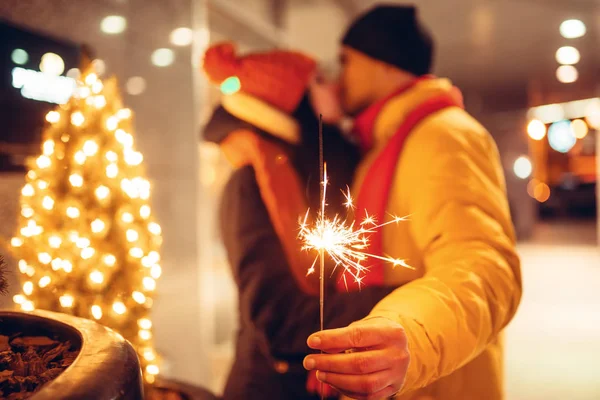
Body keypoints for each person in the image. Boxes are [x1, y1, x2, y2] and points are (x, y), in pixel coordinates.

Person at [247, 5, 522, 400]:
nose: (340, 78)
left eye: (347, 62)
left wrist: (408, 332)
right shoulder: (383, 145)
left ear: (386, 65)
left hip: (433, 384)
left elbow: (485, 267)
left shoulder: (444, 136)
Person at [201, 42, 395, 399]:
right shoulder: (251, 184)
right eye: (320, 80)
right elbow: (279, 318)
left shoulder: (312, 171)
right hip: (271, 386)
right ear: (296, 102)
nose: (335, 85)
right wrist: (398, 298)